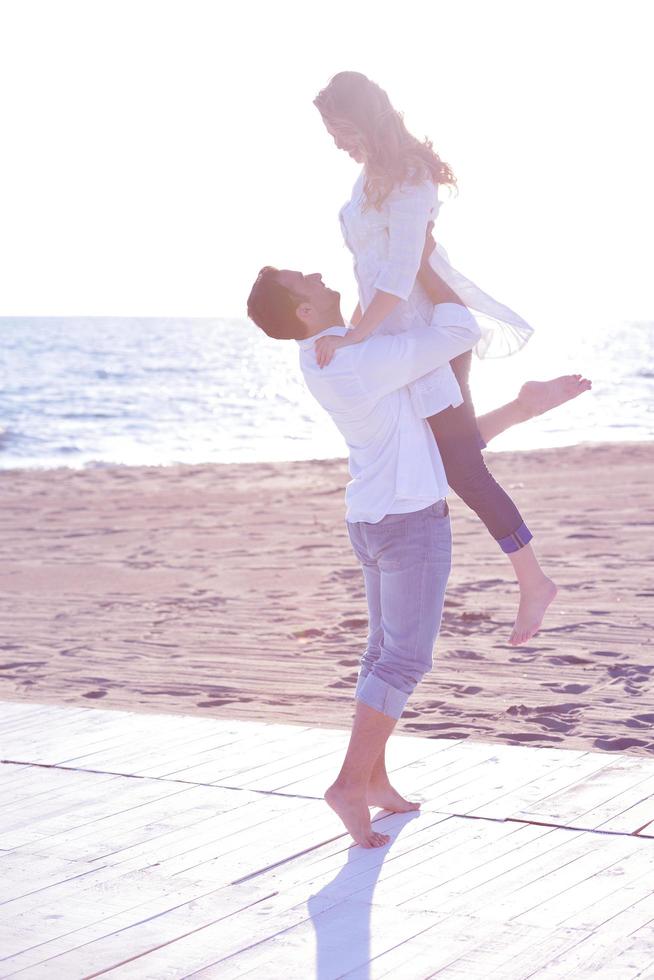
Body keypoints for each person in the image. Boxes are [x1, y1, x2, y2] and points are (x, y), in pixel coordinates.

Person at [246, 261, 584, 848]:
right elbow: (458, 329)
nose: (321, 274)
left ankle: (374, 781)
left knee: (382, 654)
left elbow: (445, 444)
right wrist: (420, 261)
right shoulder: (356, 358)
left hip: (375, 517)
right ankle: (349, 785)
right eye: (307, 280)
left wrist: (526, 408)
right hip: (408, 522)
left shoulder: (333, 353)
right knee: (404, 662)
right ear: (303, 312)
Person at [312, 70, 591, 645]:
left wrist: (354, 338)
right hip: (395, 337)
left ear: (365, 117)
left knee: (460, 466)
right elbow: (370, 273)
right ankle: (523, 407)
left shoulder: (411, 178)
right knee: (447, 453)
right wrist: (359, 332)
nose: (337, 142)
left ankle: (534, 582)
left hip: (427, 333)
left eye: (340, 128)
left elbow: (399, 273)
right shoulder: (371, 176)